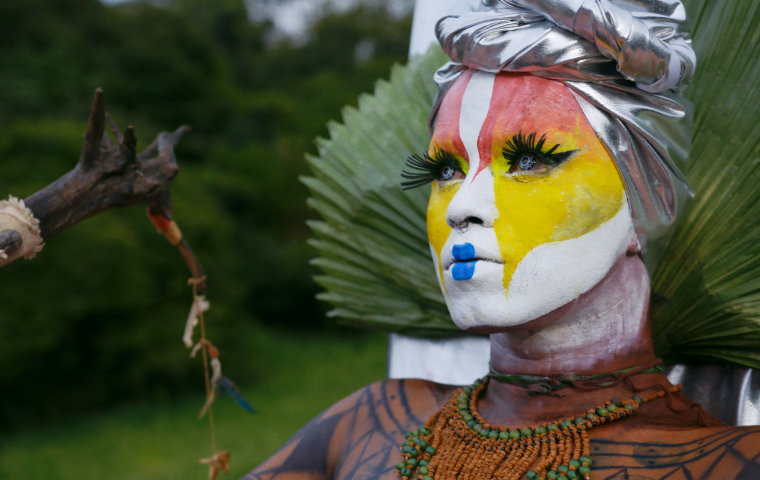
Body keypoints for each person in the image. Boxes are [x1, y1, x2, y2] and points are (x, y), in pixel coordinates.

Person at [245, 1, 760, 479]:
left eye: (531, 160)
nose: (463, 206)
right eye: (446, 169)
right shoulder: (365, 425)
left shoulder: (724, 462)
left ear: (646, 206)